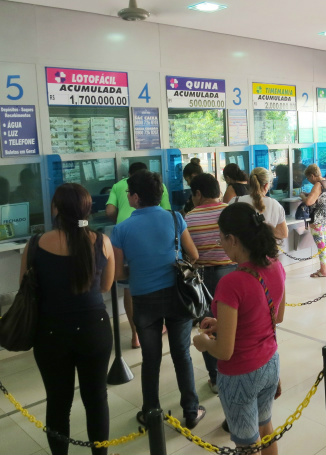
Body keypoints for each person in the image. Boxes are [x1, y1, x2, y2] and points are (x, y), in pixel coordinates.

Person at [22, 183, 115, 455]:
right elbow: (106, 287)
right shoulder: (102, 241)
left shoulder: (35, 245)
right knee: (96, 399)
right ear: (87, 209)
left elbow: (25, 288)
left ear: (56, 209)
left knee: (58, 403)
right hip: (94, 330)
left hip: (50, 334)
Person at [110, 170, 206, 429]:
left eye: (129, 193)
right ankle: (191, 410)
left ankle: (151, 413)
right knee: (181, 355)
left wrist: (142, 267)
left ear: (136, 197)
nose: (128, 197)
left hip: (144, 299)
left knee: (151, 359)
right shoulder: (175, 218)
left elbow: (119, 273)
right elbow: (194, 254)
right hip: (177, 297)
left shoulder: (120, 229)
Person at [193, 202, 286, 455]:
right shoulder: (275, 265)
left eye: (221, 238)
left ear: (232, 239)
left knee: (247, 444)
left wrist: (203, 343)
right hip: (269, 363)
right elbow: (276, 316)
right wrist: (222, 323)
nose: (220, 244)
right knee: (265, 428)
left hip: (240, 373)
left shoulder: (231, 282)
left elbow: (224, 351)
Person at [106, 161, 171, 348]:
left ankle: (136, 334)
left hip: (126, 232)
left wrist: (119, 218)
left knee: (128, 288)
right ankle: (160, 324)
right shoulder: (159, 185)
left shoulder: (118, 185)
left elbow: (110, 210)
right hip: (155, 227)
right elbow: (167, 210)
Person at [185, 173, 236, 394]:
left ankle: (216, 377)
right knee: (235, 324)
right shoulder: (230, 212)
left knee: (208, 325)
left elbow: (188, 256)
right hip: (234, 274)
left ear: (198, 194)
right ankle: (236, 369)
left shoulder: (188, 218)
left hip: (204, 279)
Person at [230, 167, 288, 240]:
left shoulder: (235, 201)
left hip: (240, 250)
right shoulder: (275, 205)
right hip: (266, 250)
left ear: (249, 182)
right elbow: (283, 233)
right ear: (267, 185)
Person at [300, 164, 326, 278]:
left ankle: (323, 270)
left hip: (317, 218)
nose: (309, 181)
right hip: (325, 216)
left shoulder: (318, 184)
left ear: (312, 175)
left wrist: (303, 196)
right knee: (325, 242)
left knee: (320, 244)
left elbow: (309, 202)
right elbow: (319, 196)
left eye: (308, 178)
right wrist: (310, 195)